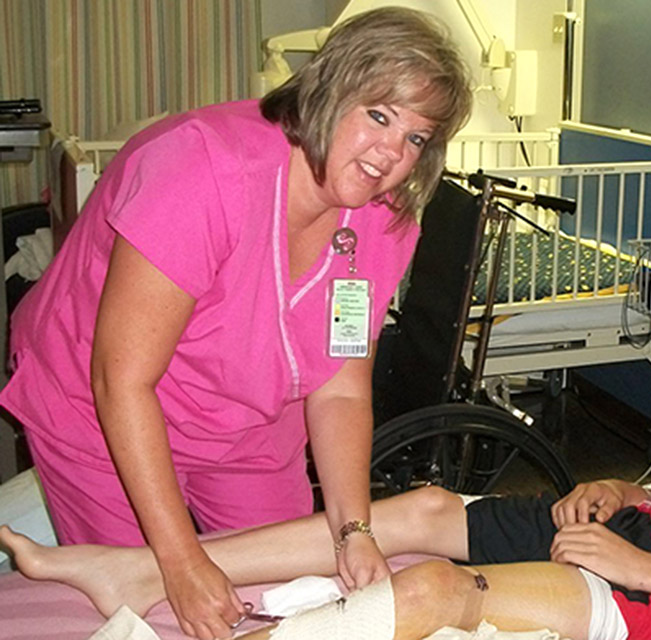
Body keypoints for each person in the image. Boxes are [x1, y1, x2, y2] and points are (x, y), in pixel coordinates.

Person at [0, 227, 651, 640]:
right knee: (412, 508)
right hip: (632, 531)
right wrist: (625, 495)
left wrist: (637, 569)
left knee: (438, 592)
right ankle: (140, 568)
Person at [0, 7, 471, 640]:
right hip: (100, 408)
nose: (392, 153)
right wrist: (179, 557)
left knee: (289, 598)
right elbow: (122, 379)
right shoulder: (206, 170)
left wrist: (353, 530)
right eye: (379, 115)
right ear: (328, 89)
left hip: (246, 420)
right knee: (147, 607)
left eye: (417, 137)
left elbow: (341, 388)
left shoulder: (386, 218)